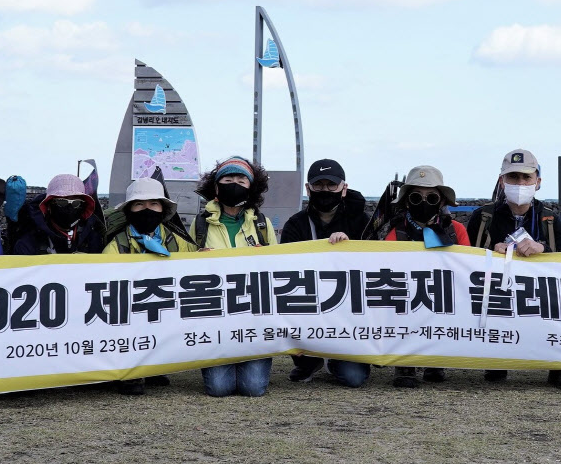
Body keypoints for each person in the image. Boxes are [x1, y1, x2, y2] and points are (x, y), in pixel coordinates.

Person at [466, 148, 561, 390]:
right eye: (513, 177)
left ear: (538, 182)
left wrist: (542, 249)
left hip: (537, 294)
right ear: (502, 181)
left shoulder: (549, 219)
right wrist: (490, 251)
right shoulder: (483, 216)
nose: (520, 183)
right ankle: (496, 357)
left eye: (526, 178)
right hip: (496, 293)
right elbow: (465, 260)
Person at [188, 156, 277, 397]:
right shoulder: (200, 224)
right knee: (218, 388)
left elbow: (277, 266)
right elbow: (184, 268)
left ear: (252, 186)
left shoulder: (261, 223)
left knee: (254, 388)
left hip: (253, 315)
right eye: (228, 179)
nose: (234, 183)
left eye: (241, 179)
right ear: (216, 187)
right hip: (215, 316)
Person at [281, 159, 371, 387]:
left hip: (351, 309)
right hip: (308, 306)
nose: (325, 191)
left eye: (331, 185)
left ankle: (337, 359)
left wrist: (350, 248)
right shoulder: (295, 224)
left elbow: (376, 264)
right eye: (318, 185)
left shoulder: (361, 221)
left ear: (344, 188)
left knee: (354, 378)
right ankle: (308, 361)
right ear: (308, 189)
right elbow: (283, 273)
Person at [103, 177, 192, 395]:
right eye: (139, 204)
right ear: (129, 210)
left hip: (164, 306)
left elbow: (197, 263)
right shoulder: (117, 245)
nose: (147, 209)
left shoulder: (176, 241)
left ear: (162, 209)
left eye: (153, 204)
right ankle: (128, 371)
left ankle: (155, 367)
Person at [384, 165, 470, 388]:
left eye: (431, 197)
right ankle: (405, 364)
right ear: (406, 201)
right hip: (406, 296)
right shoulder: (396, 232)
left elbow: (469, 266)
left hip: (444, 296)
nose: (423, 202)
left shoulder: (456, 230)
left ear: (441, 201)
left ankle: (435, 359)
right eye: (416, 196)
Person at [13, 174, 104, 255]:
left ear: (83, 206)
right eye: (62, 202)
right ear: (49, 206)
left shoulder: (93, 239)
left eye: (76, 203)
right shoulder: (29, 243)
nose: (69, 208)